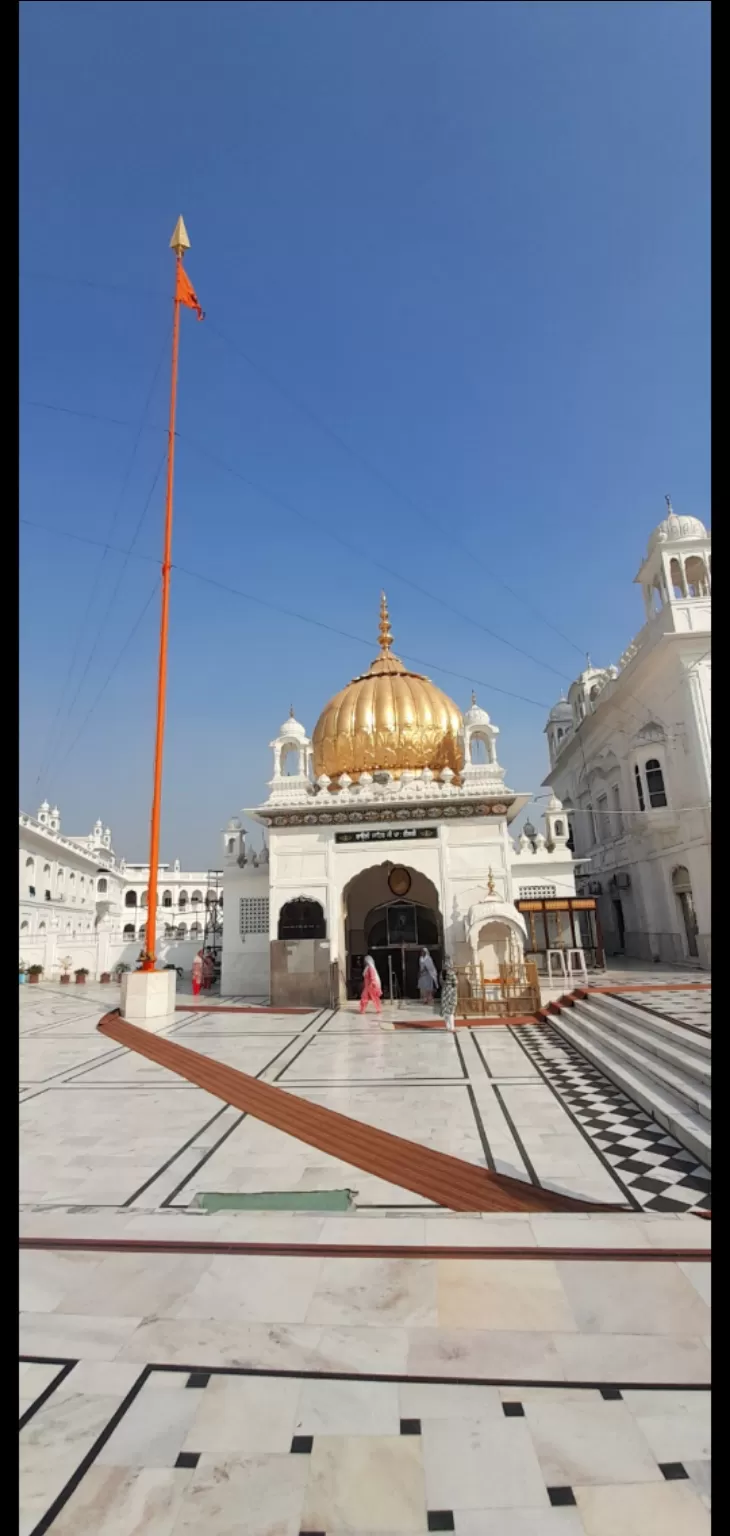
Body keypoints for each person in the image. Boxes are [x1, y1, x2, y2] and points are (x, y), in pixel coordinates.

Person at [440, 956, 458, 1033]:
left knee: (445, 1008)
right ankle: (452, 1027)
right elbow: (455, 982)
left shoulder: (442, 973)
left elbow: (441, 982)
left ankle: (447, 1026)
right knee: (451, 1010)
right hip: (451, 991)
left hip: (444, 991)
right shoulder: (451, 973)